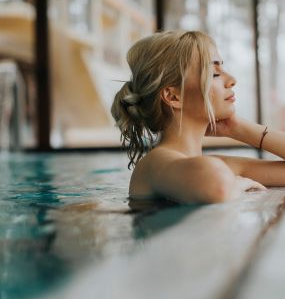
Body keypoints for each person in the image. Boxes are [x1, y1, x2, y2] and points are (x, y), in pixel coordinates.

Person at [111, 30, 285, 204]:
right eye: (214, 74)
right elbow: (218, 187)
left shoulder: (210, 165)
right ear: (173, 97)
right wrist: (236, 183)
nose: (232, 79)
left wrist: (239, 129)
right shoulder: (154, 163)